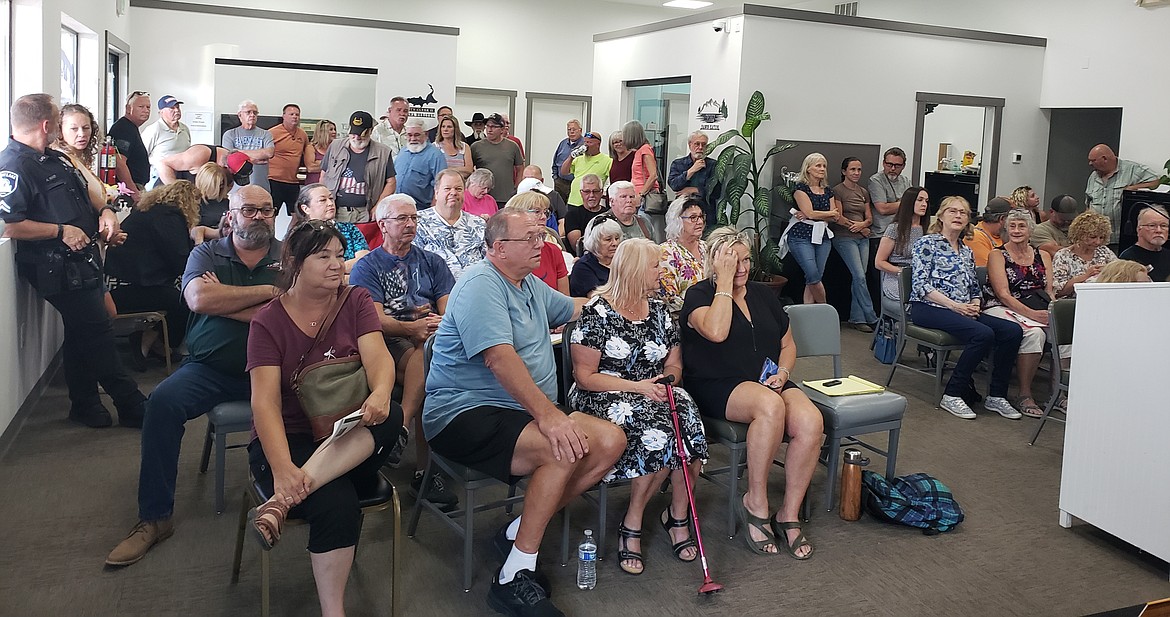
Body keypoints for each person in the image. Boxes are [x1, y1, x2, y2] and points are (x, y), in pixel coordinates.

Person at [423, 209, 624, 616]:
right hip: (463, 412)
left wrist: (622, 301)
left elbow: (572, 308)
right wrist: (550, 417)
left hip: (519, 412)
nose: (541, 244)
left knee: (610, 441)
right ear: (499, 248)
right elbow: (499, 359)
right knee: (560, 448)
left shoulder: (527, 283)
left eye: (540, 236)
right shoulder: (480, 284)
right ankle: (513, 575)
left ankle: (517, 532)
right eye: (530, 238)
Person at [105, 185, 282, 566]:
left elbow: (297, 314)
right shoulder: (206, 252)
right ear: (230, 216)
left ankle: (297, 499)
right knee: (162, 404)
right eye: (249, 210)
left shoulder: (290, 256)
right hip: (209, 368)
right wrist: (268, 294)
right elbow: (199, 300)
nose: (259, 217)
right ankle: (155, 518)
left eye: (266, 210)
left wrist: (226, 302)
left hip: (274, 371)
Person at [245, 220, 404, 617]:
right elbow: (264, 404)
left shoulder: (355, 300)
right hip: (289, 439)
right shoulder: (268, 321)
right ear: (295, 263)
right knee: (336, 500)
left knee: (391, 413)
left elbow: (379, 358)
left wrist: (381, 392)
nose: (337, 265)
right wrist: (282, 468)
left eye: (339, 255)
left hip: (349, 433)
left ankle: (280, 505)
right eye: (323, 257)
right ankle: (334, 612)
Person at [1, 93, 146, 428]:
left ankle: (85, 403)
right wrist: (60, 230)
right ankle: (131, 402)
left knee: (82, 331)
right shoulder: (13, 166)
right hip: (55, 266)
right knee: (97, 331)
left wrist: (106, 211)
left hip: (83, 260)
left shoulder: (54, 158)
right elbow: (12, 224)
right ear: (47, 124)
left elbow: (89, 195)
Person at [679, 227, 822, 559]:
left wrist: (784, 372)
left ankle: (788, 512)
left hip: (767, 379)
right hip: (718, 383)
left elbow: (788, 344)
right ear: (715, 262)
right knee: (770, 407)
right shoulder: (698, 295)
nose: (741, 267)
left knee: (810, 421)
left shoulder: (762, 294)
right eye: (732, 260)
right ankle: (755, 500)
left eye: (745, 259)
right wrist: (724, 284)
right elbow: (716, 331)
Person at [568, 238, 708, 575]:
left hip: (653, 389)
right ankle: (632, 519)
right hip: (606, 393)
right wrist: (637, 388)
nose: (661, 271)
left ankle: (677, 515)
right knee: (655, 431)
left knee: (688, 421)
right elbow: (585, 377)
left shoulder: (658, 309)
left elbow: (674, 363)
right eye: (655, 266)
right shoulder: (598, 311)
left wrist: (667, 382)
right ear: (634, 271)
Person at [348, 193, 458, 508]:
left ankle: (402, 425)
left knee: (430, 351)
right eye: (402, 219)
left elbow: (447, 309)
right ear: (383, 224)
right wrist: (412, 328)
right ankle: (426, 472)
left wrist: (431, 325)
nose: (410, 224)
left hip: (428, 341)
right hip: (388, 342)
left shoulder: (432, 261)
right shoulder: (367, 266)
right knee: (431, 371)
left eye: (413, 218)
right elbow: (375, 320)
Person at [909, 196, 1023, 420]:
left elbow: (973, 285)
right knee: (982, 334)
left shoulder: (966, 250)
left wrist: (975, 303)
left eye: (963, 212)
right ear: (940, 216)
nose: (958, 215)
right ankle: (952, 393)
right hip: (929, 307)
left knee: (1012, 331)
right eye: (952, 211)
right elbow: (921, 285)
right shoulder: (927, 243)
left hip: (962, 309)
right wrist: (955, 306)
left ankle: (996, 395)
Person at [104, 180, 199, 368]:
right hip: (130, 287)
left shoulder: (149, 211)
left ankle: (154, 342)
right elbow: (180, 259)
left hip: (116, 283)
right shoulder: (169, 218)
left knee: (180, 295)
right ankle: (152, 340)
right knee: (188, 300)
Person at [982, 210, 1054, 419]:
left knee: (1065, 334)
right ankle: (1024, 394)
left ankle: (1058, 393)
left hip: (1037, 305)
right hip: (1002, 306)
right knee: (1035, 334)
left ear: (1031, 229)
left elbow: (1049, 290)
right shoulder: (998, 254)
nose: (1016, 230)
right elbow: (1003, 294)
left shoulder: (1043, 255)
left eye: (1021, 226)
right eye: (1012, 226)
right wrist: (1033, 314)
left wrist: (1052, 311)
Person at [53, 103, 137, 203]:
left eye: (86, 128)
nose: (82, 134)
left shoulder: (79, 159)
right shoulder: (61, 162)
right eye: (74, 129)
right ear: (59, 132)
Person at [322, 111, 396, 224]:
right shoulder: (335, 147)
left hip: (365, 214)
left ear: (370, 131)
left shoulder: (383, 152)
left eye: (361, 134)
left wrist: (378, 206)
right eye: (353, 133)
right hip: (336, 211)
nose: (356, 138)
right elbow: (323, 175)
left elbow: (391, 182)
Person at [830, 156, 878, 330]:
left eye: (859, 170)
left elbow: (869, 217)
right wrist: (857, 227)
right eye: (853, 169)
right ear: (844, 171)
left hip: (862, 238)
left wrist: (863, 226)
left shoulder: (863, 192)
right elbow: (838, 217)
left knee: (860, 278)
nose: (856, 173)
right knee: (858, 276)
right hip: (844, 237)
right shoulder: (838, 190)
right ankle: (872, 317)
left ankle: (857, 318)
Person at [413, 169, 487, 280]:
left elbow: (489, 261)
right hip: (433, 289)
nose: (453, 192)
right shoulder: (418, 222)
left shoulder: (478, 224)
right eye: (447, 188)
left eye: (458, 189)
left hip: (474, 287)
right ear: (436, 193)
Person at [789, 152, 841, 305]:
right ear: (808, 168)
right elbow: (809, 213)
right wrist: (827, 213)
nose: (822, 169)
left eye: (824, 166)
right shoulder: (801, 189)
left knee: (815, 276)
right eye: (818, 165)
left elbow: (835, 216)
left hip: (822, 237)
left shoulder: (828, 190)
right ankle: (824, 309)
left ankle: (809, 311)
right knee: (812, 274)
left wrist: (821, 215)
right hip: (801, 236)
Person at [1085, 144, 1159, 251]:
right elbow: (1088, 203)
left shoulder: (1131, 169)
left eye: (1093, 160)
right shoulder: (1093, 176)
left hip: (1120, 239)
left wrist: (1133, 188)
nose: (1090, 164)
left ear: (1104, 159)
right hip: (1097, 240)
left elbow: (1156, 181)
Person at [867, 147, 912, 316]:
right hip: (880, 234)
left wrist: (901, 203)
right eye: (889, 164)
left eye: (897, 165)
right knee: (878, 277)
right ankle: (881, 315)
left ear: (903, 166)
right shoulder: (875, 180)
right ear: (883, 163)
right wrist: (905, 202)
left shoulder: (906, 181)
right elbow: (882, 208)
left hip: (902, 235)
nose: (892, 169)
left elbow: (913, 205)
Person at [874, 187, 929, 317]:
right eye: (920, 200)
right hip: (897, 277)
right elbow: (879, 262)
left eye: (926, 201)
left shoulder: (928, 229)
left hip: (923, 278)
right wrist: (904, 273)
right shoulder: (895, 229)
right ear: (909, 202)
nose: (924, 204)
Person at [288, 183, 370, 270]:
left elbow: (364, 260)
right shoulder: (300, 234)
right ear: (305, 208)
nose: (330, 203)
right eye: (322, 200)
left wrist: (337, 273)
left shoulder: (350, 229)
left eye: (331, 198)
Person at [504, 192, 569, 295]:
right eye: (537, 211)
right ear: (516, 216)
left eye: (545, 212)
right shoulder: (506, 253)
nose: (543, 217)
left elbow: (566, 303)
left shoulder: (553, 251)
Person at [658, 196, 707, 315]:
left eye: (700, 216)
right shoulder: (666, 252)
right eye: (693, 218)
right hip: (683, 317)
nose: (700, 222)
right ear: (677, 220)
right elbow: (669, 298)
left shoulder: (706, 247)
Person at [1052, 210, 1117, 298]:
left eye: (1101, 237)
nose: (1098, 242)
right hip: (1074, 303)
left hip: (1104, 298)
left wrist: (1108, 271)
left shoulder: (1104, 251)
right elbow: (1059, 292)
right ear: (1079, 234)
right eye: (1093, 237)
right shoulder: (1063, 256)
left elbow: (1120, 271)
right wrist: (1086, 276)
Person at [471, 113, 523, 208]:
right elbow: (470, 170)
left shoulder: (512, 146)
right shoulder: (476, 147)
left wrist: (516, 187)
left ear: (502, 129)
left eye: (494, 126)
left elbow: (520, 168)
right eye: (488, 126)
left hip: (506, 197)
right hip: (483, 196)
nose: (489, 129)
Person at [667, 131, 720, 224]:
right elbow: (674, 185)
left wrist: (694, 189)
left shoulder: (713, 165)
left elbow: (717, 192)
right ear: (690, 145)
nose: (700, 147)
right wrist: (691, 170)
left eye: (703, 144)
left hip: (706, 213)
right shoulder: (678, 163)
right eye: (697, 144)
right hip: (683, 211)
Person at [221, 100, 274, 192]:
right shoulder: (230, 134)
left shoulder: (266, 134)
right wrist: (255, 157)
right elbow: (229, 158)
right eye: (248, 112)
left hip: (261, 187)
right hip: (236, 188)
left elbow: (269, 153)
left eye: (255, 113)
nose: (252, 115)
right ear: (240, 115)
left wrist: (239, 152)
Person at [394, 118, 448, 208]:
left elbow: (442, 185)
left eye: (417, 135)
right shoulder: (403, 152)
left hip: (421, 209)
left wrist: (433, 210)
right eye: (409, 135)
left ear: (426, 134)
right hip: (397, 206)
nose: (413, 139)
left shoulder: (435, 155)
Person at [268, 104, 309, 215]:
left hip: (293, 181)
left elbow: (307, 155)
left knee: (298, 215)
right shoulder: (272, 133)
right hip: (274, 181)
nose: (295, 117)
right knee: (271, 215)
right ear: (284, 116)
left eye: (297, 114)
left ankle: (290, 233)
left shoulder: (302, 134)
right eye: (291, 114)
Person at [141, 95, 191, 186]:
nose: (176, 110)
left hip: (182, 177)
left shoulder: (184, 129)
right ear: (161, 112)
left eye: (177, 107)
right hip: (159, 178)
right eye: (172, 108)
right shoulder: (153, 129)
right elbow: (141, 156)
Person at [107, 90, 152, 188]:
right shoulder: (124, 129)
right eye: (141, 107)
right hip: (128, 189)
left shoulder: (130, 128)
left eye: (148, 107)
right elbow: (119, 163)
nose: (146, 110)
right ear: (128, 109)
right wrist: (133, 191)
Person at [570, 215, 622, 298]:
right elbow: (598, 299)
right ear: (595, 242)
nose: (615, 243)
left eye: (617, 238)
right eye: (608, 239)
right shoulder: (583, 267)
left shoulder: (622, 261)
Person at [156, 143, 252, 186]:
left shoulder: (230, 162)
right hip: (167, 189)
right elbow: (163, 164)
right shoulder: (199, 155)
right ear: (225, 167)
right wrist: (176, 190)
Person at [1118, 205, 1170, 282]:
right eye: (1152, 225)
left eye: (1163, 226)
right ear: (1139, 230)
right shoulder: (1127, 259)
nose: (1159, 230)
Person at [560, 131, 611, 207]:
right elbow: (563, 172)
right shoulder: (578, 159)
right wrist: (571, 157)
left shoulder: (607, 160)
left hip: (591, 203)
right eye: (585, 142)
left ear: (598, 144)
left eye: (589, 142)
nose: (586, 145)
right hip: (573, 202)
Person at [564, 173, 606, 253]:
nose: (591, 195)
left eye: (595, 191)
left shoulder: (608, 214)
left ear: (601, 193)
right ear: (581, 193)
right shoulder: (573, 215)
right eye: (587, 192)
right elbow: (578, 246)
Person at [192, 162, 231, 244]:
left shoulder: (227, 202)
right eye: (216, 184)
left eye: (222, 183)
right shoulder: (193, 204)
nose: (220, 187)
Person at [965, 196, 1010, 267]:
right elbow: (989, 271)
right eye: (1012, 219)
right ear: (1002, 219)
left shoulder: (1003, 235)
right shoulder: (975, 237)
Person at [624, 121, 660, 207]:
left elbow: (653, 175)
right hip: (640, 195)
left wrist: (641, 195)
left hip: (645, 197)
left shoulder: (645, 150)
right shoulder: (640, 150)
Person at [551, 119, 584, 201]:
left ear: (580, 130)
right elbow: (555, 161)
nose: (571, 132)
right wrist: (555, 177)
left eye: (574, 129)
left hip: (576, 184)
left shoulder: (585, 145)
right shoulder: (563, 143)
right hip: (560, 183)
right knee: (558, 208)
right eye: (569, 129)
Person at [303, 119, 336, 185]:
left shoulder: (336, 148)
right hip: (313, 186)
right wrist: (331, 164)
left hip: (330, 186)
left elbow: (340, 167)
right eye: (331, 129)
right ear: (322, 132)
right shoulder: (311, 147)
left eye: (334, 129)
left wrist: (319, 162)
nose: (334, 132)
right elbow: (310, 168)